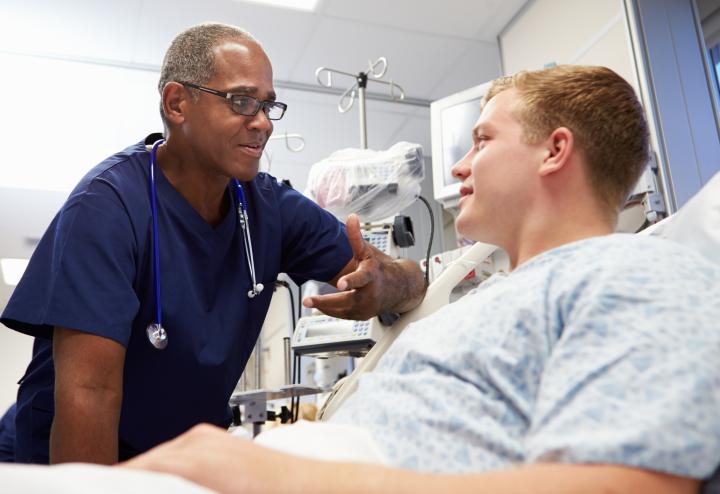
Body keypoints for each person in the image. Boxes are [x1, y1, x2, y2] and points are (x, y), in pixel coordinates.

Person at [123, 65, 720, 494]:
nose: (458, 166)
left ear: (555, 150)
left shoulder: (640, 273)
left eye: (483, 140)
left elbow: (622, 483)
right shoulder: (489, 294)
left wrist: (290, 475)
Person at [0, 23, 426, 465]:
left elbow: (410, 279)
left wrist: (384, 283)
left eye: (268, 105)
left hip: (181, 447)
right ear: (177, 103)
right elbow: (91, 393)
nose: (262, 122)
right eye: (242, 100)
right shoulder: (107, 207)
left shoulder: (271, 208)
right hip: (76, 450)